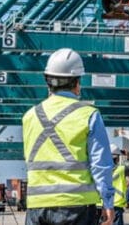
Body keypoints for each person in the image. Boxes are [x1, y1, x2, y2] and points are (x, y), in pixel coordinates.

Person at [22, 48, 115, 225]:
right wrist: (108, 202)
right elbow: (101, 164)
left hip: (37, 206)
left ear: (47, 82)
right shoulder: (89, 115)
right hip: (76, 206)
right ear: (77, 83)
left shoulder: (29, 116)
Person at [111, 144, 129, 225]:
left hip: (101, 206)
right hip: (116, 205)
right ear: (117, 158)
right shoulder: (122, 169)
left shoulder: (98, 169)